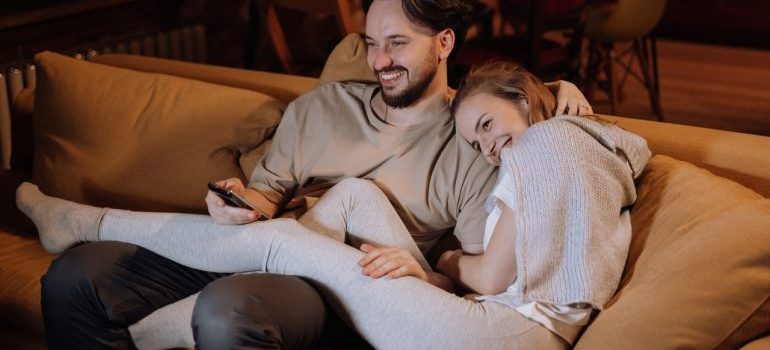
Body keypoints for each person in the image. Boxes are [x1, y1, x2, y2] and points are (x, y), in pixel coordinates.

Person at [35, 0, 594, 348]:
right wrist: (235, 200)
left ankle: (96, 232)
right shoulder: (323, 106)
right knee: (75, 275)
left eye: (397, 43)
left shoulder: (473, 144)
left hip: (329, 288)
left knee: (230, 311)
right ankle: (90, 237)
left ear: (444, 42)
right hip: (247, 247)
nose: (380, 61)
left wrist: (558, 100)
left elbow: (475, 288)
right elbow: (266, 195)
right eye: (372, 44)